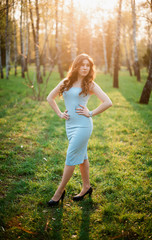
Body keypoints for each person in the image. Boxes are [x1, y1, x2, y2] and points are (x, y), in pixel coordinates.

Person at [46, 53, 112, 206]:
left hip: (83, 125)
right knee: (82, 157)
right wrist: (60, 113)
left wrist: (90, 113)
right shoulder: (66, 82)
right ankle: (87, 187)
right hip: (70, 125)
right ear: (76, 66)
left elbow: (108, 102)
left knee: (71, 156)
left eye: (87, 65)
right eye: (82, 65)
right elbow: (50, 97)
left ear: (90, 68)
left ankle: (59, 192)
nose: (84, 68)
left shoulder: (89, 84)